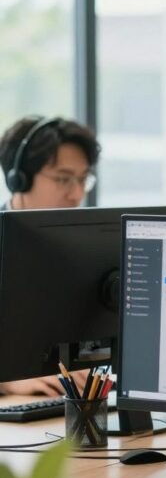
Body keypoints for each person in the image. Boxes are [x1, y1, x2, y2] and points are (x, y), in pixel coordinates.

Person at [0, 116, 99, 396]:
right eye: (64, 179)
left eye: (83, 179)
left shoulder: (83, 249)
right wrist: (6, 381)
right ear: (19, 178)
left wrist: (87, 361)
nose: (77, 193)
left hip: (68, 399)